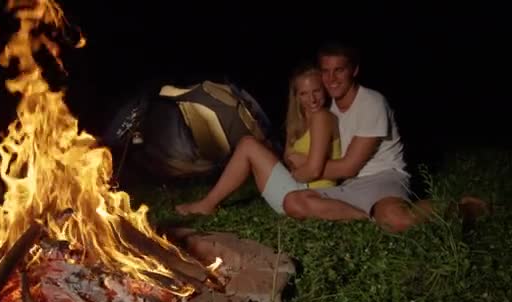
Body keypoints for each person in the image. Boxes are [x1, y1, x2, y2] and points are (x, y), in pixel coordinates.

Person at [281, 41, 450, 232]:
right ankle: (364, 218)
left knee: (397, 220)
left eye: (339, 70)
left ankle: (459, 207)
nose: (331, 79)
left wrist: (306, 166)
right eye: (325, 71)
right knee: (292, 202)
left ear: (354, 70)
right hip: (349, 186)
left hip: (384, 178)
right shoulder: (327, 108)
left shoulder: (372, 102)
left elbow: (348, 167)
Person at [175, 64, 342, 216]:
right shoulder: (298, 120)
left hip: (313, 195)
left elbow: (312, 171)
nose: (311, 99)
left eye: (316, 91)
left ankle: (207, 204)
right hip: (295, 191)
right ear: (296, 96)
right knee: (250, 145)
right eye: (304, 93)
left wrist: (298, 167)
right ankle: (207, 203)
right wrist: (297, 163)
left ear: (325, 90)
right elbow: (288, 158)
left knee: (248, 144)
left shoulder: (322, 117)